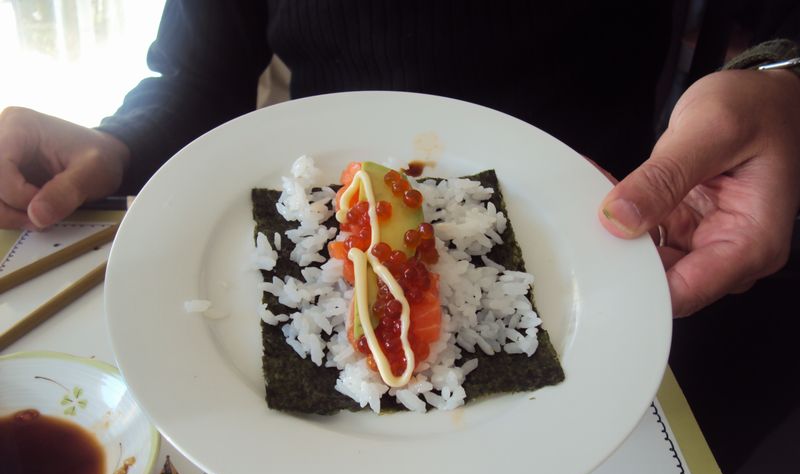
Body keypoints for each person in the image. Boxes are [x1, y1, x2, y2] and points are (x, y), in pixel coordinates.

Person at [0, 2, 797, 320]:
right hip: (323, 226)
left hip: (618, 245)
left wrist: (782, 80)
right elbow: (196, 76)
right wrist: (119, 143)